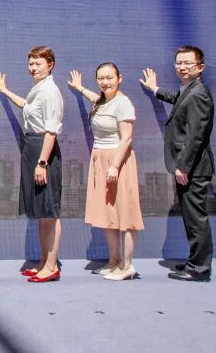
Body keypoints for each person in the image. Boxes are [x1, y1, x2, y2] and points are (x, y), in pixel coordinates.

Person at [0, 46, 64, 283]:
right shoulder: (38, 88)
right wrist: (4, 91)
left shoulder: (50, 91)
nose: (33, 68)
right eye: (31, 63)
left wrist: (42, 162)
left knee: (50, 212)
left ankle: (51, 266)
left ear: (50, 65)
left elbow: (51, 131)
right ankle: (43, 262)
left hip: (43, 150)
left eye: (38, 63)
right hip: (32, 148)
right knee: (42, 212)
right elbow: (27, 106)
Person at [140, 45, 214, 282]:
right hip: (190, 167)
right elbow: (178, 100)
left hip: (193, 168)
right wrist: (155, 89)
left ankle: (199, 269)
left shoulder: (199, 94)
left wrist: (183, 166)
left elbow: (195, 136)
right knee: (191, 219)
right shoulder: (190, 90)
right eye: (179, 63)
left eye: (187, 63)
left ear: (200, 67)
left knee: (196, 220)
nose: (182, 67)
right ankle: (195, 262)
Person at [69, 63, 144, 281]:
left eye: (109, 78)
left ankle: (127, 266)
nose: (105, 82)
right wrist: (80, 88)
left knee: (125, 213)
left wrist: (115, 165)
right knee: (107, 213)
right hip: (99, 159)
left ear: (119, 79)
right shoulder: (102, 101)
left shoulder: (123, 103)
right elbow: (96, 98)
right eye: (101, 78)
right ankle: (114, 261)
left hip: (117, 160)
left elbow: (126, 138)